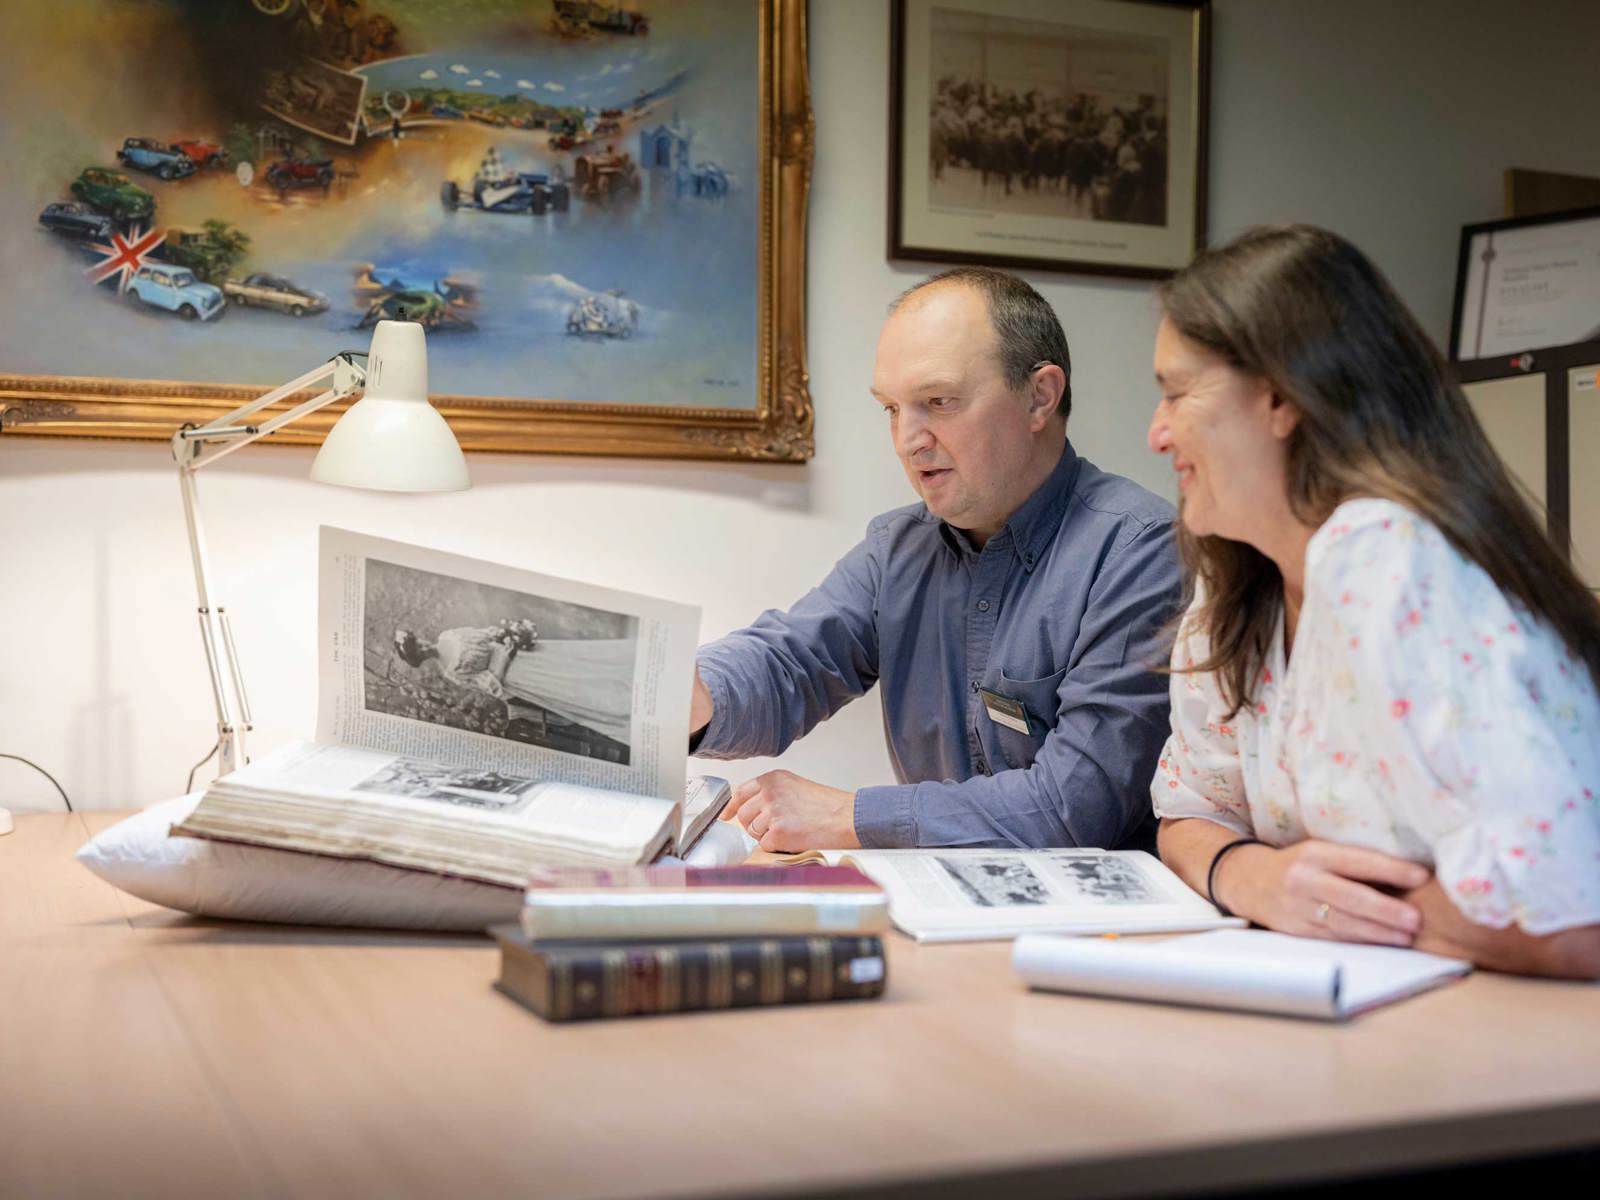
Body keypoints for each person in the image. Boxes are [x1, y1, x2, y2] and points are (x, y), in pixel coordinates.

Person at [1146, 224, 1600, 980]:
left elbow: (1576, 921)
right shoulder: (1236, 573)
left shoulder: (1394, 561)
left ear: (1281, 397)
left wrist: (1332, 907)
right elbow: (1191, 808)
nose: (1158, 433)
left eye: (1176, 392)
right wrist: (1253, 876)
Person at [699, 267, 1180, 853]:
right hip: (941, 910)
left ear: (1040, 397)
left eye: (937, 402)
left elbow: (1073, 806)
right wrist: (684, 692)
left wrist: (848, 815)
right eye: (892, 410)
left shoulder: (1140, 549)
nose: (908, 439)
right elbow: (789, 661)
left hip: (1095, 927)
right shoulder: (896, 548)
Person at [394, 623, 634, 746]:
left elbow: (488, 633)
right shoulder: (450, 671)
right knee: (571, 686)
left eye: (420, 643)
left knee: (574, 663)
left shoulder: (450, 635)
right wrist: (506, 657)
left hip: (523, 652)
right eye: (420, 652)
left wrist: (510, 633)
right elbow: (492, 686)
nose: (425, 647)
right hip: (516, 674)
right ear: (422, 659)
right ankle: (618, 705)